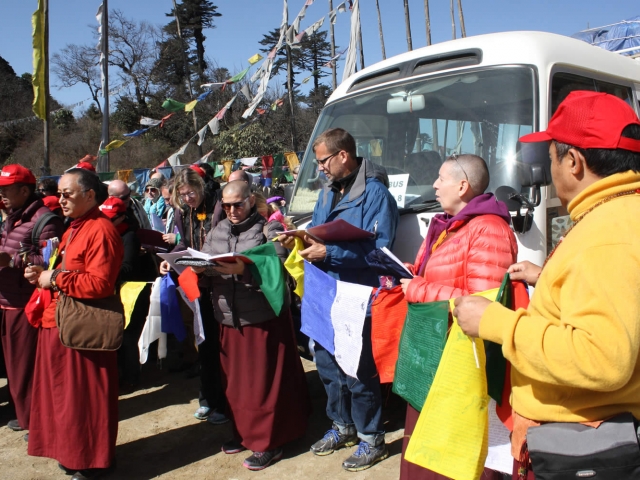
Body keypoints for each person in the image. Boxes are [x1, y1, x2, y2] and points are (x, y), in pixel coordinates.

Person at [453, 91, 640, 479]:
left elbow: (603, 357)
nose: (549, 168)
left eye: (551, 156)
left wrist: (497, 323)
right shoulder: (623, 212)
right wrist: (549, 280)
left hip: (591, 442)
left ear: (574, 161)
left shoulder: (607, 235)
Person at [280, 127, 399, 471]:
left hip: (355, 295)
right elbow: (320, 232)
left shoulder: (377, 195)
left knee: (358, 371)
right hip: (324, 291)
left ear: (343, 156)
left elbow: (381, 252)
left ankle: (370, 438)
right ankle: (341, 426)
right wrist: (301, 242)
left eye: (322, 162)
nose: (319, 169)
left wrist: (329, 252)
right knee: (329, 367)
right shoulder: (326, 193)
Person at [397, 154, 518, 480]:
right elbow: (440, 277)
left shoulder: (488, 230)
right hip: (432, 355)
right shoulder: (448, 226)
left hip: (460, 366)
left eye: (441, 178)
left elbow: (482, 307)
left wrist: (419, 289)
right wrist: (409, 273)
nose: (434, 185)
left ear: (463, 186)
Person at [196, 180, 310, 470]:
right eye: (227, 205)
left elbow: (279, 266)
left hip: (262, 318)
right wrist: (194, 268)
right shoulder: (217, 231)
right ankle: (244, 434)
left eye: (238, 204)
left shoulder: (268, 228)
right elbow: (207, 264)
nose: (232, 210)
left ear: (250, 201)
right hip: (227, 317)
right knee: (235, 385)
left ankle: (269, 442)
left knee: (263, 385)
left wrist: (244, 270)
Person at [24, 168, 123, 480]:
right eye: (60, 194)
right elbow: (66, 269)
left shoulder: (101, 230)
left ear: (90, 195)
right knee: (64, 399)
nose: (61, 200)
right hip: (61, 322)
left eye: (68, 194)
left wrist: (53, 278)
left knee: (84, 400)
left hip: (84, 329)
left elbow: (100, 284)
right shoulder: (75, 227)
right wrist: (42, 275)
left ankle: (91, 461)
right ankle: (72, 452)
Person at [159, 168, 227, 423]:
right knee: (204, 340)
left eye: (191, 193)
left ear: (200, 188)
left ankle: (222, 401)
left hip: (219, 280)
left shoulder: (218, 207)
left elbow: (222, 241)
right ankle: (207, 398)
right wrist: (170, 259)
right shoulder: (181, 212)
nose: (187, 199)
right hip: (196, 283)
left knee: (221, 344)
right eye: (183, 195)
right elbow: (185, 243)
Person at [0, 165, 64, 434]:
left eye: (6, 191)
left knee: (26, 367)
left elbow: (52, 259)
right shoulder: (10, 218)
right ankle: (22, 412)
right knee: (12, 367)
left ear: (24, 191)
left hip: (26, 304)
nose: (1, 195)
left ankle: (34, 421)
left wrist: (13, 260)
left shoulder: (46, 220)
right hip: (5, 300)